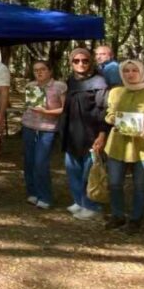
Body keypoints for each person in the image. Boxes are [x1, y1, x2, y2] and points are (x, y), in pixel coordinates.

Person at [94, 59, 144, 234]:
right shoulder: (116, 92)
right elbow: (109, 114)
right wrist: (113, 119)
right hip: (118, 145)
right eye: (126, 71)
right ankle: (118, 215)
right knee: (114, 183)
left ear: (141, 72)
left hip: (143, 147)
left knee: (140, 185)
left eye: (134, 70)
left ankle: (136, 219)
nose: (130, 74)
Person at [57, 47, 109, 221]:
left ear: (91, 62)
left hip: (91, 134)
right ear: (71, 62)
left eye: (85, 60)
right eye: (76, 61)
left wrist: (102, 135)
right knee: (73, 169)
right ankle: (78, 201)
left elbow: (104, 111)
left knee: (89, 171)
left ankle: (91, 205)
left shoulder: (100, 82)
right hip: (71, 132)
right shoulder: (71, 81)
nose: (81, 64)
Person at [20, 60, 67, 210]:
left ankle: (45, 196)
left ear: (50, 71)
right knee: (29, 161)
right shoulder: (30, 86)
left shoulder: (59, 86)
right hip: (29, 126)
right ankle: (33, 192)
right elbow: (28, 106)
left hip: (48, 128)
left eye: (43, 69)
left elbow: (65, 109)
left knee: (41, 163)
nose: (39, 72)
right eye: (36, 70)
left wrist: (46, 112)